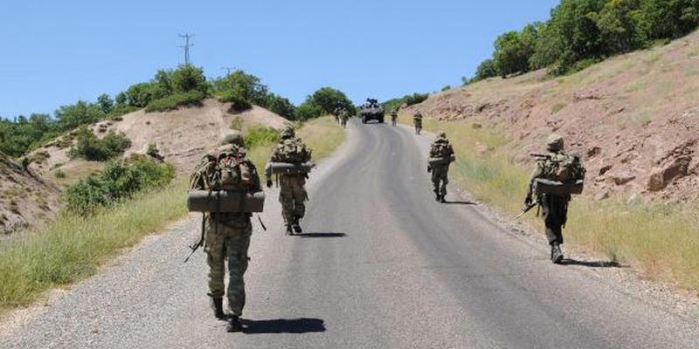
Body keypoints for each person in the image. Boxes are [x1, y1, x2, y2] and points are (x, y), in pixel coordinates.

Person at [189, 131, 262, 332]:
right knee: (236, 269)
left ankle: (218, 306)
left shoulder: (209, 162)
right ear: (239, 145)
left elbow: (194, 191)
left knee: (215, 264)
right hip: (240, 226)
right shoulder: (246, 163)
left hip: (215, 224)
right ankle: (234, 317)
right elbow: (257, 192)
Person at [524, 134, 572, 264]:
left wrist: (528, 196)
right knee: (558, 220)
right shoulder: (567, 160)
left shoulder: (544, 161)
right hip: (563, 197)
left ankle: (555, 247)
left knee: (550, 222)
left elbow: (531, 179)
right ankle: (556, 247)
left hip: (547, 196)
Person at [266, 126, 312, 234]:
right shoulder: (300, 145)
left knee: (286, 201)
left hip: (285, 179)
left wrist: (268, 179)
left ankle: (288, 227)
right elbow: (307, 159)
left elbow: (269, 163)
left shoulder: (278, 147)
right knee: (299, 200)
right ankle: (296, 219)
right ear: (292, 134)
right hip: (298, 179)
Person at [427, 131, 455, 203]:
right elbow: (452, 155)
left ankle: (437, 195)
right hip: (444, 167)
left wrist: (429, 166)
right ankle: (442, 196)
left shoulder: (434, 145)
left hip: (435, 166)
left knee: (435, 181)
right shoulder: (448, 145)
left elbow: (430, 157)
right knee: (444, 181)